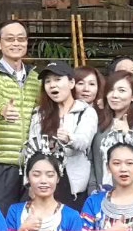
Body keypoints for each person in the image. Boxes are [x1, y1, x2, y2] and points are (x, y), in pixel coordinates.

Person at [0, 21, 43, 212]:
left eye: (21, 39)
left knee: (26, 218)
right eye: (10, 39)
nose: (16, 43)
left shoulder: (35, 77)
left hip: (30, 164)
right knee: (0, 218)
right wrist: (2, 109)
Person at [28, 63, 97, 203]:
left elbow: (84, 141)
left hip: (72, 183)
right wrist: (29, 183)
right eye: (48, 81)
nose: (52, 85)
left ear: (71, 83)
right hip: (44, 180)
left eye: (58, 80)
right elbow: (31, 150)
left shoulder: (86, 111)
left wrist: (69, 139)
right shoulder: (39, 113)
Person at [91, 70, 133, 194]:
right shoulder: (100, 123)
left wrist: (129, 135)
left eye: (121, 90)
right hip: (102, 193)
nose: (114, 95)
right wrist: (92, 189)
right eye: (111, 90)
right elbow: (93, 161)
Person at [81, 136, 133, 231]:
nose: (123, 169)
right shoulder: (94, 202)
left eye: (129, 163)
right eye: (117, 163)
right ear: (108, 167)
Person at [7, 138, 84, 231]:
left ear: (58, 178)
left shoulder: (71, 216)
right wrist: (23, 229)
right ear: (28, 177)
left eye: (50, 175)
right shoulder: (15, 212)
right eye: (36, 175)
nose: (43, 181)